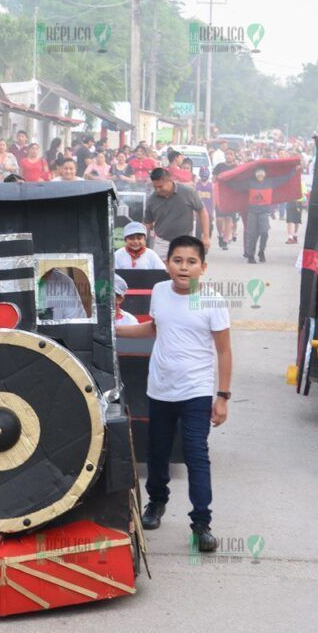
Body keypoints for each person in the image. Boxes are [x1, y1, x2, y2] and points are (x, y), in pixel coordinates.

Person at [116, 236, 232, 552]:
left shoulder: (212, 302)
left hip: (195, 392)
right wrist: (116, 330)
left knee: (196, 454)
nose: (184, 267)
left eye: (191, 261)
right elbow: (155, 328)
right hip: (160, 389)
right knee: (157, 452)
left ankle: (202, 523)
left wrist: (222, 396)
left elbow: (223, 351)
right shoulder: (160, 292)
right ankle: (156, 503)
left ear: (202, 267)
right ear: (167, 264)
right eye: (177, 260)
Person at [144, 167, 211, 261]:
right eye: (155, 187)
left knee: (184, 272)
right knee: (160, 273)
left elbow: (202, 211)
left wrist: (206, 237)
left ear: (169, 181)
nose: (157, 190)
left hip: (185, 241)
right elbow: (147, 223)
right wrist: (143, 241)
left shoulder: (188, 192)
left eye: (160, 187)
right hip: (162, 243)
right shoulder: (151, 200)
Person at [213, 149, 239, 250]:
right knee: (219, 219)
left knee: (228, 218)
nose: (229, 156)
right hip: (220, 195)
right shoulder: (220, 166)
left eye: (231, 154)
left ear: (234, 156)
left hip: (231, 196)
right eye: (227, 154)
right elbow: (214, 179)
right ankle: (220, 234)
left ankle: (225, 240)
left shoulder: (237, 167)